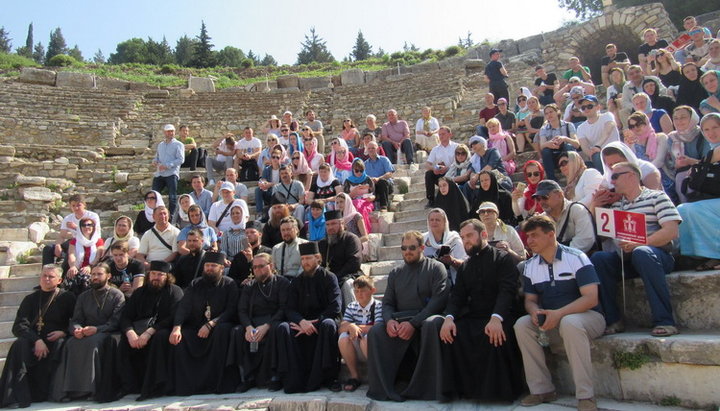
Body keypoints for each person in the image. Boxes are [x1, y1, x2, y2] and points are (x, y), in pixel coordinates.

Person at [514, 215, 604, 411]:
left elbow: (591, 298)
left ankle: (585, 396)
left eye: (534, 235)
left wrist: (559, 314)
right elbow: (530, 300)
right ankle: (542, 389)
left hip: (589, 319)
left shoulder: (576, 257)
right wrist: (535, 312)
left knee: (570, 322)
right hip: (553, 321)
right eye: (527, 236)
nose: (529, 241)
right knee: (522, 325)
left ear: (551, 234)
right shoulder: (530, 266)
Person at [590, 162, 681, 337]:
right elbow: (602, 238)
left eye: (615, 176)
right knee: (599, 259)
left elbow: (671, 231)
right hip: (627, 259)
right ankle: (613, 319)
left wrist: (641, 243)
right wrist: (596, 207)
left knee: (642, 253)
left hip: (656, 256)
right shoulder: (616, 206)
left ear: (632, 175)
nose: (612, 181)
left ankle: (665, 321)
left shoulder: (657, 197)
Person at [439, 218, 523, 402]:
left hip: (501, 315)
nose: (466, 240)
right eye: (462, 237)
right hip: (475, 316)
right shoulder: (465, 266)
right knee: (452, 334)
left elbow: (507, 291)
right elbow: (457, 296)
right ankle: (465, 391)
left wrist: (496, 317)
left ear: (483, 234)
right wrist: (449, 318)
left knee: (493, 335)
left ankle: (496, 393)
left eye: (469, 235)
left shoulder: (502, 259)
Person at [366, 231, 449, 401]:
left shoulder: (436, 268)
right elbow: (387, 303)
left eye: (412, 248)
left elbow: (438, 302)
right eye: (404, 248)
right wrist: (389, 321)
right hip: (400, 321)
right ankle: (385, 388)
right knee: (376, 332)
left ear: (422, 248)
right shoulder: (396, 273)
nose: (407, 251)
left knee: (431, 324)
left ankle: (427, 388)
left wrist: (414, 324)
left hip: (425, 319)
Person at [0, 265, 76, 408]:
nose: (46, 279)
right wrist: (37, 340)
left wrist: (64, 332)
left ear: (59, 280)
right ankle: (16, 396)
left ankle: (55, 392)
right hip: (34, 340)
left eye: (51, 276)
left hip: (56, 340)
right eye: (44, 276)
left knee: (61, 344)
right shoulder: (30, 299)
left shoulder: (67, 297)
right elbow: (18, 326)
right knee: (19, 345)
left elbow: (77, 321)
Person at [51, 264, 125, 402]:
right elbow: (75, 319)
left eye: (99, 274)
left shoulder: (117, 295)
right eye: (93, 274)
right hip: (86, 332)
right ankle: (70, 391)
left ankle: (90, 390)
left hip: (108, 332)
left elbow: (116, 322)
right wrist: (77, 330)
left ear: (108, 276)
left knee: (92, 344)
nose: (95, 277)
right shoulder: (83, 296)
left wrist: (97, 329)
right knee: (71, 343)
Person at [275, 241, 342, 393]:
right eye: (303, 259)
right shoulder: (297, 281)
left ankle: (330, 378)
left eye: (308, 258)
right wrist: (301, 322)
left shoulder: (329, 277)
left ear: (318, 258)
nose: (305, 262)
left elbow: (335, 307)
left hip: (323, 320)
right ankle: (289, 378)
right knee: (283, 328)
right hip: (302, 324)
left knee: (329, 325)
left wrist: (315, 323)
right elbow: (289, 308)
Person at [169, 251, 239, 395]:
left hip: (219, 325)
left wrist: (211, 324)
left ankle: (218, 384)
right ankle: (189, 386)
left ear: (221, 268)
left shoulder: (229, 283)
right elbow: (184, 307)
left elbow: (232, 310)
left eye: (213, 266)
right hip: (197, 325)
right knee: (182, 337)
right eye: (207, 265)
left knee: (223, 330)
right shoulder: (195, 283)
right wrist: (177, 327)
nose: (209, 268)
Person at [117, 260, 183, 401]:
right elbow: (126, 316)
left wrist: (149, 332)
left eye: (160, 274)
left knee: (159, 338)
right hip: (138, 331)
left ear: (167, 276)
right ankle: (128, 385)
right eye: (153, 273)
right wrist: (130, 333)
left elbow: (173, 317)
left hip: (161, 329)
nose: (156, 277)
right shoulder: (140, 292)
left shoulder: (175, 291)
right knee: (122, 341)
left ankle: (154, 386)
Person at [230, 253, 291, 392]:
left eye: (261, 266)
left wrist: (267, 326)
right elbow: (242, 310)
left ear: (271, 266)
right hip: (253, 323)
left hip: (273, 322)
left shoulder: (282, 283)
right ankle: (247, 377)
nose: (257, 270)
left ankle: (275, 376)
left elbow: (284, 308)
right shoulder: (249, 286)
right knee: (237, 332)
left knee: (279, 329)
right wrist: (248, 327)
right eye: (255, 267)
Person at [678, 113, 720, 270]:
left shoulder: (715, 151)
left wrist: (694, 164)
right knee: (683, 210)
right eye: (706, 129)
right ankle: (700, 256)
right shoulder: (711, 149)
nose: (711, 132)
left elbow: (708, 160)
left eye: (715, 127)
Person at [338, 275, 382, 392]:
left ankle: (376, 377)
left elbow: (377, 327)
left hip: (374, 347)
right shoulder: (352, 306)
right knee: (343, 338)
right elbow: (341, 328)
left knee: (366, 339)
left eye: (363, 291)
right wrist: (350, 326)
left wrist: (355, 328)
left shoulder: (378, 306)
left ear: (372, 291)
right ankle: (354, 376)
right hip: (356, 347)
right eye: (356, 291)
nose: (359, 294)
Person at [534, 180, 597, 254]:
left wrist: (560, 256)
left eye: (545, 197)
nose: (541, 202)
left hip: (580, 260)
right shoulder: (542, 219)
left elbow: (585, 240)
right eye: (538, 199)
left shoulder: (577, 210)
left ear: (560, 195)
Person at [42, 194, 100, 270]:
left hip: (88, 242)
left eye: (78, 205)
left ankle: (63, 274)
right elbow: (62, 236)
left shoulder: (92, 216)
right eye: (73, 206)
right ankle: (47, 271)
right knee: (48, 248)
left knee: (70, 250)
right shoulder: (68, 218)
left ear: (84, 205)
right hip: (74, 241)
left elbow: (93, 232)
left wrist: (76, 227)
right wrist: (57, 245)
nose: (76, 208)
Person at [624, 111, 674, 199]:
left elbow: (659, 161)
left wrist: (641, 173)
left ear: (646, 123)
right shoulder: (633, 144)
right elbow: (632, 164)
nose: (636, 128)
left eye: (639, 124)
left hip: (663, 178)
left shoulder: (660, 137)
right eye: (632, 126)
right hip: (642, 180)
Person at [668, 106, 711, 203]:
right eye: (676, 118)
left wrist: (690, 161)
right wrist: (678, 163)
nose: (679, 121)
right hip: (681, 174)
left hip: (703, 172)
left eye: (683, 117)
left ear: (692, 118)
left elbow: (709, 161)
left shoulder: (703, 134)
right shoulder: (672, 137)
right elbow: (673, 164)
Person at [319, 210, 363, 305]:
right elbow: (319, 264)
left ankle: (352, 316)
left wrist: (335, 277)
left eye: (334, 223)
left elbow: (354, 263)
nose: (330, 227)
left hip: (349, 275)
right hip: (330, 278)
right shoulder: (322, 243)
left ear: (342, 223)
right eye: (328, 224)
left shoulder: (351, 239)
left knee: (348, 284)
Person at [422, 208, 467, 285]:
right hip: (428, 283)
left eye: (437, 220)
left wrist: (452, 261)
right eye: (431, 220)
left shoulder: (453, 238)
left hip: (450, 282)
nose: (434, 222)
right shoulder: (422, 239)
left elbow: (465, 263)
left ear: (445, 222)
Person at [576, 95, 620, 172]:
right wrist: (591, 152)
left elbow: (607, 131)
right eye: (583, 108)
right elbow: (584, 147)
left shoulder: (607, 116)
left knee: (597, 155)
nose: (586, 109)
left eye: (589, 106)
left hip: (614, 149)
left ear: (598, 107)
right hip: (598, 155)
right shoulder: (581, 128)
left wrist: (598, 146)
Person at [537, 104, 580, 181]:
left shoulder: (568, 125)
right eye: (546, 113)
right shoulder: (544, 129)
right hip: (552, 156)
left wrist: (565, 139)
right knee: (545, 151)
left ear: (557, 112)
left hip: (566, 154)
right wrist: (549, 144)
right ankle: (552, 179)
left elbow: (577, 144)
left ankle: (573, 173)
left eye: (551, 112)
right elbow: (542, 146)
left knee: (568, 146)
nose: (549, 115)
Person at [66, 217, 104, 295]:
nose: (87, 227)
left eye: (89, 225)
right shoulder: (74, 240)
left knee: (85, 279)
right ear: (80, 227)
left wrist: (90, 267)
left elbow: (98, 256)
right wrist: (72, 266)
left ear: (93, 227)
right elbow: (71, 254)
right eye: (84, 225)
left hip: (93, 269)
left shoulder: (98, 241)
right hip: (77, 268)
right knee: (71, 277)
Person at [152, 124, 184, 216]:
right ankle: (155, 214)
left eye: (172, 131)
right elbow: (157, 157)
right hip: (160, 173)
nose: (171, 133)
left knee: (172, 197)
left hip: (171, 173)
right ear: (165, 132)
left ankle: (172, 216)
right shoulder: (160, 145)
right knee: (154, 195)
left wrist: (167, 165)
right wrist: (154, 161)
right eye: (169, 131)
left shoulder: (179, 144)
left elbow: (181, 159)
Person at [363, 141, 395, 211]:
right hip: (373, 186)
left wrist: (378, 179)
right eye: (369, 148)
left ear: (377, 149)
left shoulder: (384, 160)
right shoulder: (365, 164)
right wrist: (371, 180)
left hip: (386, 185)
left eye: (373, 148)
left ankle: (383, 206)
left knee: (382, 182)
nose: (371, 150)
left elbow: (390, 173)